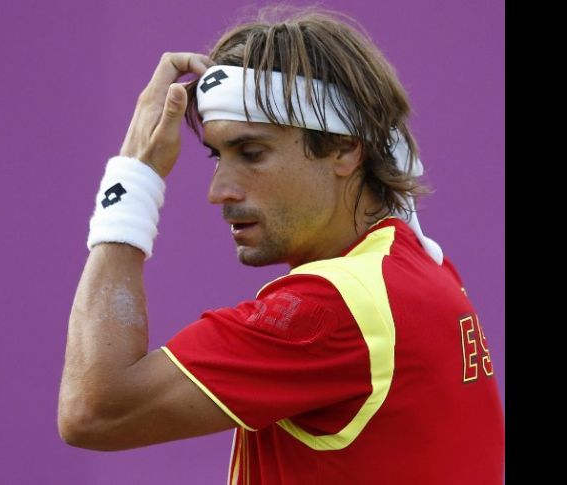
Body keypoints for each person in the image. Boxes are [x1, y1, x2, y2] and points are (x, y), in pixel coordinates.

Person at [58, 6, 504, 484]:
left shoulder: (331, 309)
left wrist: (134, 178)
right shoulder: (421, 268)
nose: (219, 190)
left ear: (345, 148)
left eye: (252, 153)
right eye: (217, 156)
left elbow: (94, 409)